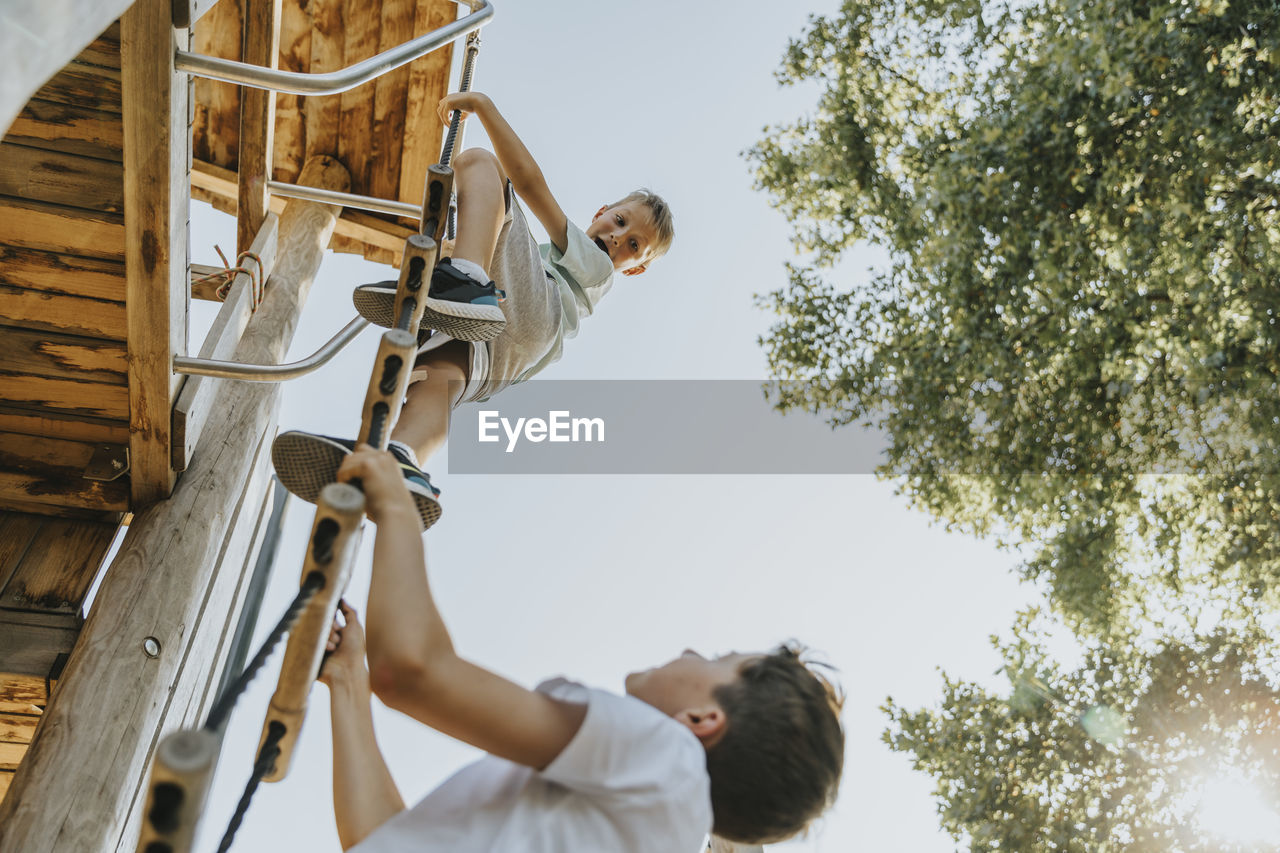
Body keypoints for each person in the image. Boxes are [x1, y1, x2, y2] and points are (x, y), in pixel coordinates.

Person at [319, 445, 844, 851]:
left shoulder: (670, 761)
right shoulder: (652, 825)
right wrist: (349, 684)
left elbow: (410, 673)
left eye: (715, 660)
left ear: (703, 719)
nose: (690, 650)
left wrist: (398, 505)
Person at [272, 92, 676, 529]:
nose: (619, 237)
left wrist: (484, 107)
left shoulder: (596, 267)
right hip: (503, 359)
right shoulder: (544, 258)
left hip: (533, 315)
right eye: (619, 221)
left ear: (634, 270)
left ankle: (467, 281)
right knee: (439, 384)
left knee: (481, 163)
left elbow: (528, 182)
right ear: (602, 213)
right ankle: (402, 459)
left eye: (634, 245)